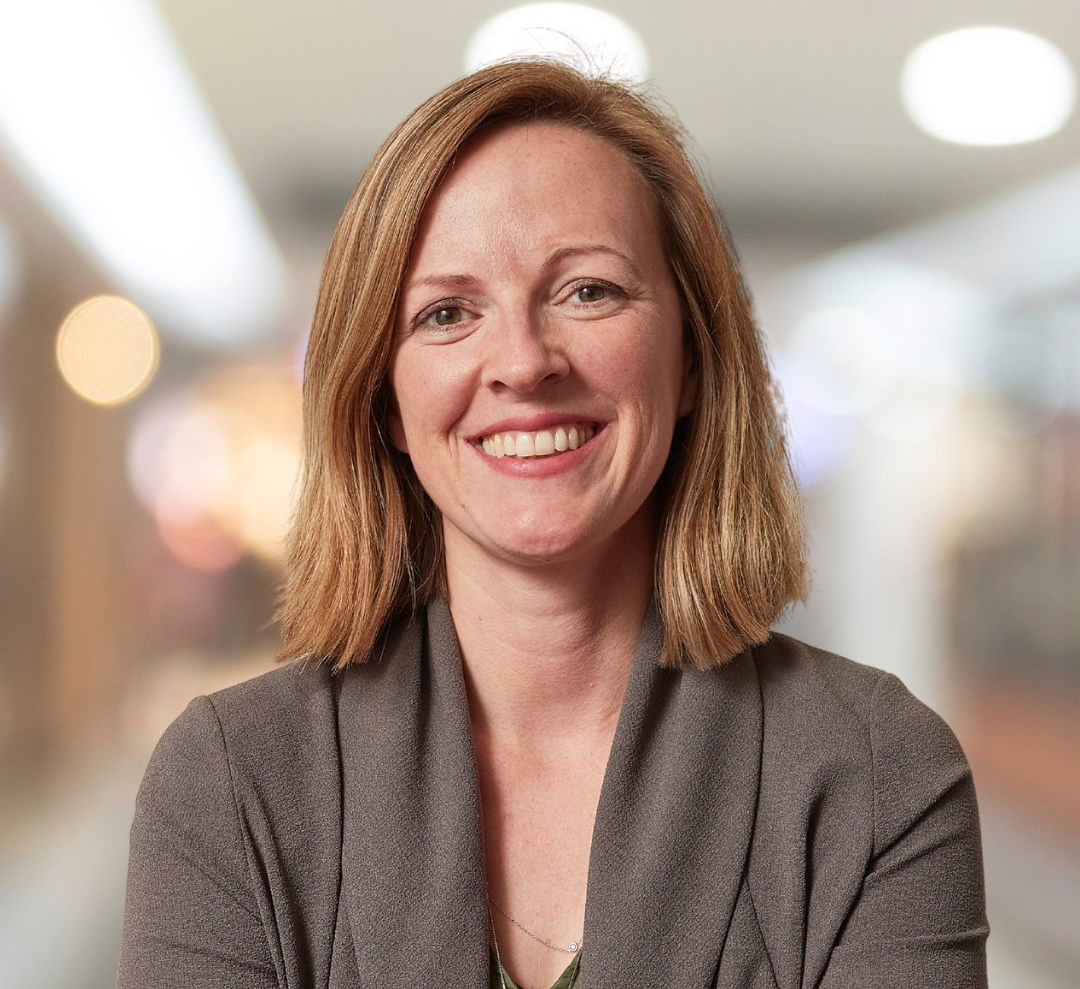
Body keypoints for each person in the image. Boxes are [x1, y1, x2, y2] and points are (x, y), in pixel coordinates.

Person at [117, 60, 988, 989]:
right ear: (383, 403)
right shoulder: (230, 784)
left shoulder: (875, 774)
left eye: (589, 291)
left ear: (692, 357)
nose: (524, 363)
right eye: (448, 313)